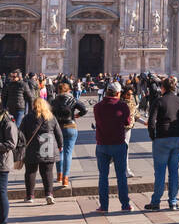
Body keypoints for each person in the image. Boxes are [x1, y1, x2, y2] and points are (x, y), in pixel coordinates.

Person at [147, 77, 179, 211]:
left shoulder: (159, 101)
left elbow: (151, 121)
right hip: (177, 139)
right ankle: (173, 201)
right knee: (174, 171)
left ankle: (156, 202)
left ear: (163, 88)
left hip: (162, 138)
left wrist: (153, 136)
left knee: (160, 172)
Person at [94, 82, 134, 213]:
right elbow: (127, 122)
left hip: (102, 145)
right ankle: (125, 205)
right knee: (121, 176)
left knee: (103, 176)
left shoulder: (97, 107)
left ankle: (104, 206)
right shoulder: (122, 106)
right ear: (118, 93)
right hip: (118, 144)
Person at [20, 97, 63, 206]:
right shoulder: (51, 117)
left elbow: (21, 134)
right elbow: (58, 133)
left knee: (30, 172)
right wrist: (60, 145)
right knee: (47, 172)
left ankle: (30, 196)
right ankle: (49, 194)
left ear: (33, 105)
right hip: (48, 147)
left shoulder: (27, 118)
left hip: (31, 148)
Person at [50, 80, 88, 189]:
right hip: (71, 127)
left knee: (59, 152)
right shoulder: (73, 99)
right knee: (68, 153)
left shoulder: (53, 101)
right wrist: (77, 115)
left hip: (58, 129)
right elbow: (84, 109)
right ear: (68, 90)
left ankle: (59, 175)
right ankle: (66, 178)